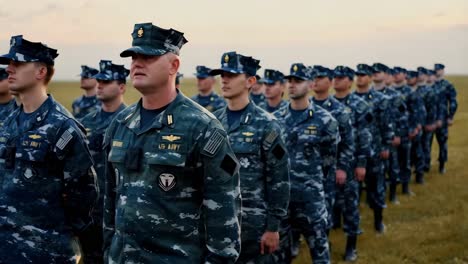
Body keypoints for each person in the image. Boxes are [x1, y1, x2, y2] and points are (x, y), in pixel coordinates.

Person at [102, 22, 241, 263]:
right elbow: (110, 202)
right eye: (134, 56)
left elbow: (223, 214)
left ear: (173, 65)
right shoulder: (120, 124)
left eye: (148, 56)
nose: (137, 63)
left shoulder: (201, 127)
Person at [0, 35, 97, 263]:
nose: (9, 69)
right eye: (9, 64)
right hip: (6, 249)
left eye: (18, 63)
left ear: (40, 72)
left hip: (45, 252)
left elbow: (84, 193)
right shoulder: (10, 122)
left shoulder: (63, 127)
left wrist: (56, 234)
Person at [211, 51, 290, 263]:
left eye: (231, 75)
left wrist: (273, 228)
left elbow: (279, 180)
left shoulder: (267, 124)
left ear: (250, 81)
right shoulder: (212, 122)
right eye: (222, 74)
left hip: (254, 226)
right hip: (217, 223)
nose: (224, 79)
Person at [275, 63, 339, 264]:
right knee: (280, 256)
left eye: (298, 81)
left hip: (311, 200)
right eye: (290, 81)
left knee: (319, 253)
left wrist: (321, 193)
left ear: (310, 84)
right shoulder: (275, 120)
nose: (292, 85)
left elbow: (329, 162)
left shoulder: (325, 121)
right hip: (283, 201)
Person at [79, 59, 128, 263]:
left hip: (119, 211)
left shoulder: (130, 122)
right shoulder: (85, 122)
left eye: (107, 82)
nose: (99, 85)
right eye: (99, 80)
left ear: (122, 87)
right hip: (91, 210)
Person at [332, 65, 372, 261]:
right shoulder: (326, 104)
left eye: (341, 78)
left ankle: (351, 246)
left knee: (350, 205)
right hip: (327, 164)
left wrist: (361, 163)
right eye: (335, 77)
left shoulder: (358, 105)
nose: (336, 80)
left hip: (350, 162)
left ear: (349, 81)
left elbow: (364, 135)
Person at [311, 65, 354, 240]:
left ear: (329, 82)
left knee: (345, 205)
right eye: (313, 78)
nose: (315, 81)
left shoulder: (339, 110)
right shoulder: (307, 107)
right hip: (310, 170)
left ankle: (350, 244)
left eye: (320, 78)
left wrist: (342, 167)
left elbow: (348, 142)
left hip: (332, 169)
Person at [354, 63, 394, 233]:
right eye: (358, 75)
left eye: (363, 75)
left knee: (375, 188)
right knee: (352, 191)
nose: (360, 78)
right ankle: (349, 224)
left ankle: (378, 221)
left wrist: (386, 145)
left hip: (375, 151)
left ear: (370, 78)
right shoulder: (351, 99)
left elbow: (386, 125)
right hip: (354, 152)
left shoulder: (380, 99)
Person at [393, 67, 422, 195]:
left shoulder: (409, 91)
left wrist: (414, 128)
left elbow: (416, 111)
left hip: (406, 132)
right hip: (393, 133)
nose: (395, 76)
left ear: (404, 75)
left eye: (398, 73)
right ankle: (393, 187)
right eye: (393, 73)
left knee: (406, 161)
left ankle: (405, 187)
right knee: (394, 162)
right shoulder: (390, 91)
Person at [434, 63, 458, 173]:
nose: (437, 71)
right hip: (430, 119)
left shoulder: (447, 85)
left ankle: (442, 165)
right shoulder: (430, 84)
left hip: (443, 118)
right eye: (436, 69)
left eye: (439, 70)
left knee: (442, 142)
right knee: (426, 143)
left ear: (443, 71)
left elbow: (453, 101)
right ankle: (424, 165)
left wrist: (450, 116)